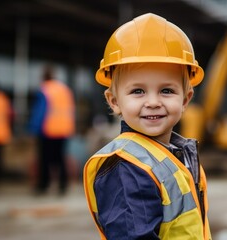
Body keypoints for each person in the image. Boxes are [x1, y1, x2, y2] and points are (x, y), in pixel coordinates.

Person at [83, 13, 212, 239]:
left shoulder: (173, 154)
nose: (153, 102)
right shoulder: (127, 169)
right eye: (138, 91)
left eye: (167, 90)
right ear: (114, 101)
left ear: (185, 100)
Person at [28, 65, 75, 195]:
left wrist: (33, 129)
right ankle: (63, 185)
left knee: (45, 159)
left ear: (44, 77)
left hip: (48, 131)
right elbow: (70, 110)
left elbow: (40, 112)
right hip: (64, 130)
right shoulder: (64, 89)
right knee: (60, 158)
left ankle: (43, 185)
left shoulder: (45, 90)